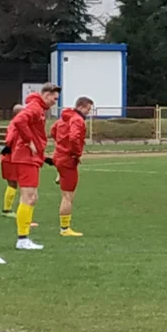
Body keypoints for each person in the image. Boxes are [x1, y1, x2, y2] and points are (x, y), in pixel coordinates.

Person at [9, 83, 60, 250]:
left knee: (32, 197)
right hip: (26, 158)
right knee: (28, 197)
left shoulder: (38, 108)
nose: (55, 101)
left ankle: (24, 237)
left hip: (30, 158)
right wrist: (29, 141)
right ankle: (22, 239)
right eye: (54, 98)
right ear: (46, 94)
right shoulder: (35, 107)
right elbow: (19, 120)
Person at [51, 96, 92, 237]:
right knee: (68, 196)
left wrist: (61, 144)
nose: (88, 112)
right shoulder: (77, 120)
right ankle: (65, 228)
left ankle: (59, 175)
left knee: (66, 191)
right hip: (68, 159)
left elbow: (53, 131)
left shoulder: (64, 117)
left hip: (58, 156)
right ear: (80, 107)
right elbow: (74, 137)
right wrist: (76, 153)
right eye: (87, 109)